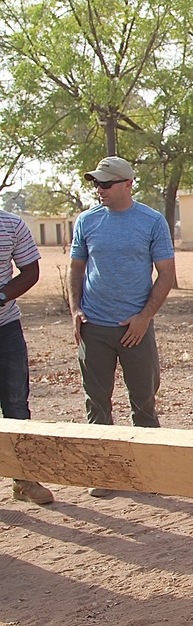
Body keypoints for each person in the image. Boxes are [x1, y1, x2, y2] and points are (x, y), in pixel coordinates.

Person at [70, 156, 176, 498]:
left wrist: (144, 318)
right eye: (96, 184)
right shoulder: (87, 221)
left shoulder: (151, 221)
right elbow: (76, 268)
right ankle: (105, 472)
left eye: (106, 183)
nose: (99, 190)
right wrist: (75, 310)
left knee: (143, 401)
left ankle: (150, 472)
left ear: (128, 184)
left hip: (136, 329)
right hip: (94, 327)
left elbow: (166, 275)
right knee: (97, 402)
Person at [1, 210, 54, 505]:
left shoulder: (11, 224)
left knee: (16, 406)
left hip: (6, 329)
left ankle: (24, 481)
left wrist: (1, 296)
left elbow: (30, 272)